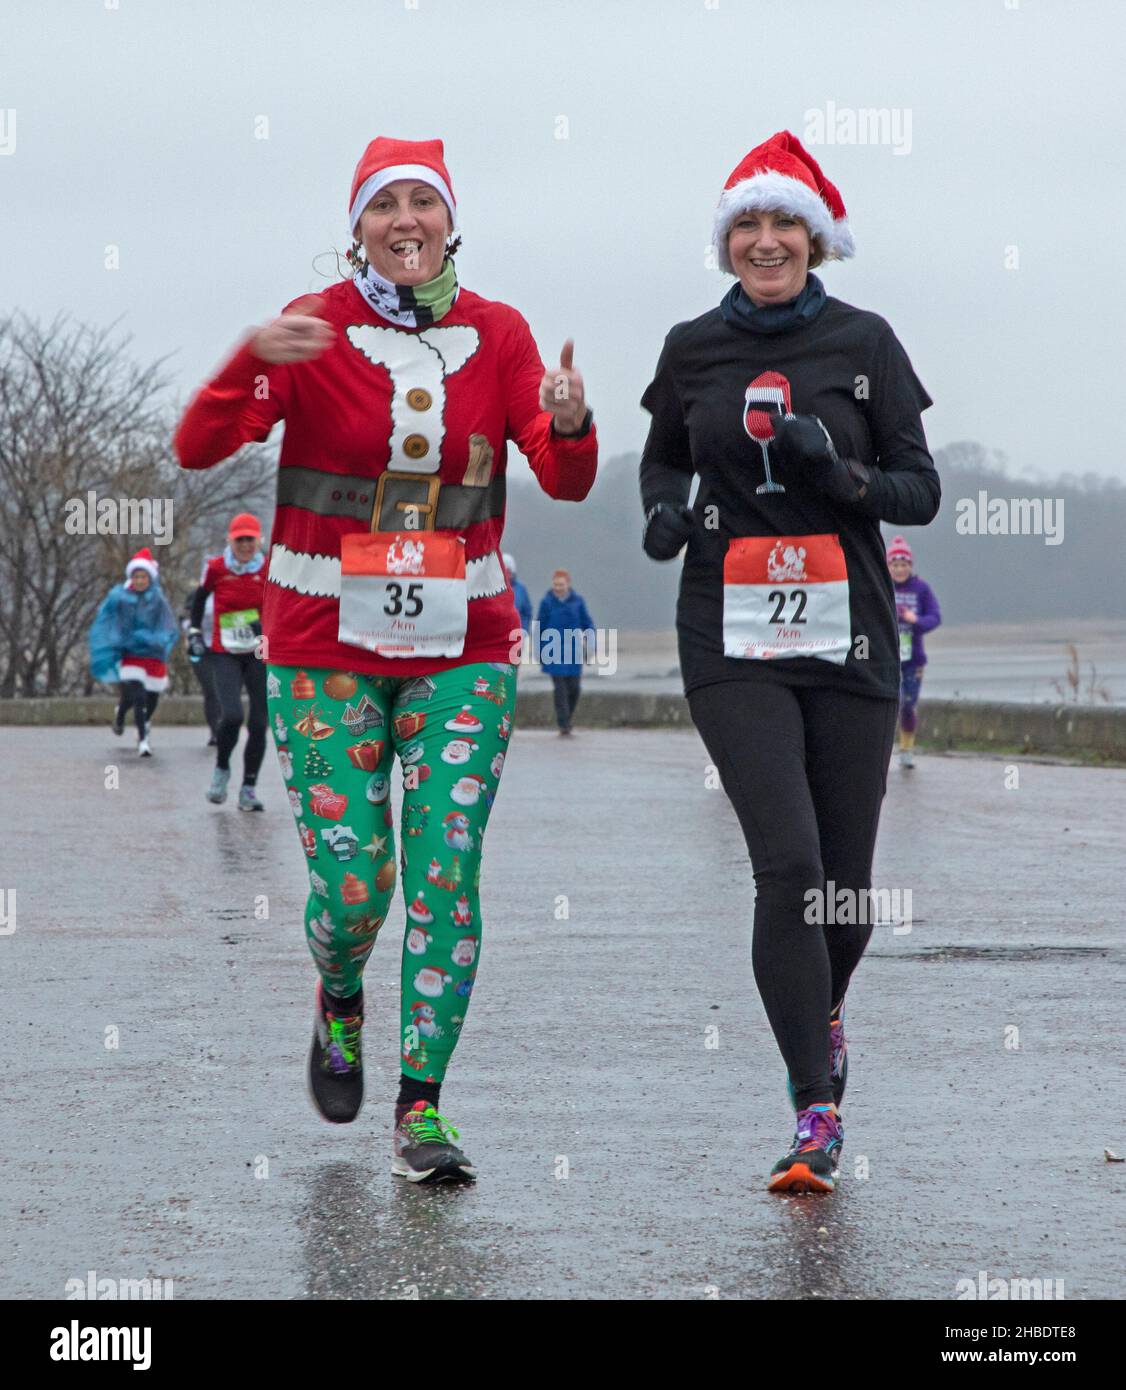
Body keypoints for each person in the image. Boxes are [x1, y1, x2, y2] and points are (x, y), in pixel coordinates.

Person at [174, 136, 597, 1181]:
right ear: (356, 224)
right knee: (359, 885)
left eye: (424, 203)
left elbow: (566, 477)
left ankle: (422, 1109)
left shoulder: (499, 334)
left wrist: (571, 424)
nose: (405, 221)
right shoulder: (311, 326)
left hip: (466, 642)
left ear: (452, 223)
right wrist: (248, 358)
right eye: (384, 206)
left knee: (446, 878)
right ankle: (340, 994)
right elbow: (196, 447)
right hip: (324, 641)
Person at [639, 131, 940, 1194]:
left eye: (782, 225)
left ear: (814, 239)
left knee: (845, 895)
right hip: (730, 635)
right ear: (725, 243)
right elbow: (665, 453)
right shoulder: (690, 349)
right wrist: (662, 513)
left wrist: (843, 473)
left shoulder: (867, 340)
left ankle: (820, 1010)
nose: (763, 242)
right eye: (744, 227)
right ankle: (814, 1109)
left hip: (850, 630)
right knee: (790, 868)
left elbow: (918, 490)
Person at [187, 514, 270, 810]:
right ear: (230, 541)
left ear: (259, 540)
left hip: (259, 651)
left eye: (250, 539)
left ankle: (248, 788)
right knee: (232, 715)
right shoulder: (217, 568)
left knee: (260, 722)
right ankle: (222, 768)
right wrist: (195, 632)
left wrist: (267, 626)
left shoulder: (270, 567)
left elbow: (282, 604)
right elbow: (199, 599)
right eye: (240, 540)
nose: (245, 545)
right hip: (224, 651)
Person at [88, 547, 180, 757]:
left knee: (151, 697)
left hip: (153, 654)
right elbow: (107, 621)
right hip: (129, 655)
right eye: (136, 576)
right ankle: (143, 740)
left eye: (144, 576)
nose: (140, 581)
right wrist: (117, 640)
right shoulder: (119, 597)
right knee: (137, 695)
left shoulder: (158, 600)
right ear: (131, 577)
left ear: (150, 578)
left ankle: (123, 713)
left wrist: (154, 639)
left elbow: (168, 627)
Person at [887, 534, 941, 769]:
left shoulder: (921, 589)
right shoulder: (883, 586)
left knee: (908, 704)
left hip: (913, 660)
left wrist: (915, 620)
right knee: (892, 702)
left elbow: (935, 618)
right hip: (888, 658)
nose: (900, 570)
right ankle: (885, 749)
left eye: (904, 565)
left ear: (910, 566)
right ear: (888, 566)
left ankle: (907, 749)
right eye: (895, 565)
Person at [536, 569, 595, 735]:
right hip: (553, 652)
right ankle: (564, 723)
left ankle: (567, 717)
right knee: (560, 689)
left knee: (575, 688)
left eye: (561, 584)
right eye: (555, 584)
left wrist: (590, 645)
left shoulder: (578, 602)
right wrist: (539, 650)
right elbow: (539, 627)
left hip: (574, 652)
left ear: (568, 584)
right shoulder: (546, 603)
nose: (558, 587)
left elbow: (587, 624)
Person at [180, 555, 220, 747]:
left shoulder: (228, 593)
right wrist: (190, 635)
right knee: (210, 690)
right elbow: (185, 619)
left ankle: (223, 726)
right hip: (199, 649)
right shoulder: (196, 595)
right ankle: (215, 731)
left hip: (223, 648)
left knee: (222, 690)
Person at [503, 553, 532, 635]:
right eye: (503, 571)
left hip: (518, 634)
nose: (506, 575)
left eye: (508, 571)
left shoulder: (521, 589)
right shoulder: (494, 590)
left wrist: (524, 629)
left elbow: (527, 613)